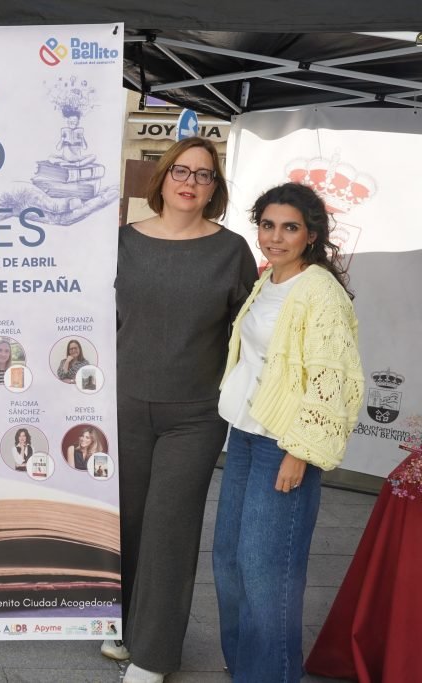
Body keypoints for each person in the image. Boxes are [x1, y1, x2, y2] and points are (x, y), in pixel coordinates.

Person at [107, 137, 258, 683]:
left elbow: (249, 333)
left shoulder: (231, 251)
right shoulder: (121, 242)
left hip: (195, 415)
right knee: (126, 521)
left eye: (204, 174)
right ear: (163, 177)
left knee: (170, 528)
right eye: (181, 171)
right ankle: (123, 625)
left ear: (215, 188)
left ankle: (153, 656)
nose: (190, 182)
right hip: (123, 405)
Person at [213, 182, 363, 682]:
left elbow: (333, 380)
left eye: (289, 227)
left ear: (311, 234)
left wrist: (299, 451)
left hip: (282, 444)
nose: (275, 237)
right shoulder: (268, 281)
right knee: (229, 562)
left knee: (266, 572)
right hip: (244, 437)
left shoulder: (320, 292)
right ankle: (244, 668)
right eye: (267, 225)